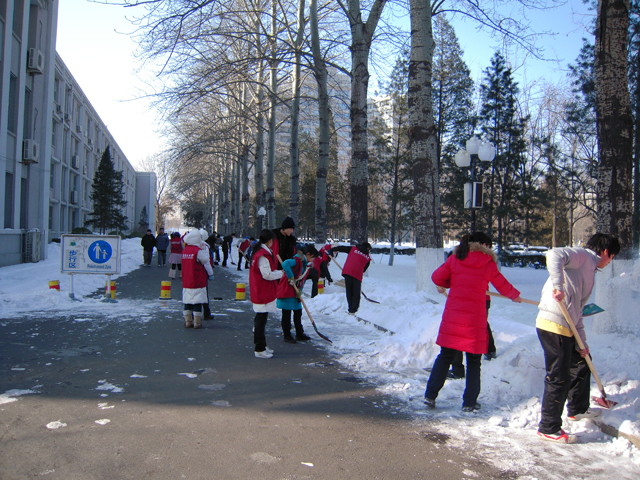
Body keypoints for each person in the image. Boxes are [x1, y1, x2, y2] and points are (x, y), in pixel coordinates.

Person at [536, 233, 620, 444]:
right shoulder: (584, 256)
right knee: (559, 376)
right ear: (606, 252)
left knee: (582, 361)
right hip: (553, 324)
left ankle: (578, 409)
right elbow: (554, 254)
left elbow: (577, 313)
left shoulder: (589, 269)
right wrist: (558, 286)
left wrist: (582, 343)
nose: (609, 262)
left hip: (567, 325)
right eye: (612, 257)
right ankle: (548, 427)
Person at [424, 232, 522, 412]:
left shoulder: (455, 259)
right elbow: (501, 284)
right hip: (474, 319)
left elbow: (437, 277)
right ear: (483, 245)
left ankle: (430, 395)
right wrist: (514, 295)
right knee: (474, 361)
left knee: (445, 356)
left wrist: (451, 282)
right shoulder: (488, 263)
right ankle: (469, 403)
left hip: (453, 317)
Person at [448, 232, 498, 380]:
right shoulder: (467, 257)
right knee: (475, 326)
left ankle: (487, 351)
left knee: (466, 329)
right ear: (482, 244)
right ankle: (487, 351)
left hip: (474, 298)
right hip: (473, 298)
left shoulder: (470, 257)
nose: (488, 249)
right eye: (487, 245)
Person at [249, 229, 284, 358]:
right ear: (270, 241)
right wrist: (281, 273)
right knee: (260, 320)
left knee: (261, 319)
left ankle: (262, 345)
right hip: (262, 290)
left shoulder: (260, 252)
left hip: (261, 289)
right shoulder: (262, 255)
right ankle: (259, 348)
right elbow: (267, 274)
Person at [277, 245, 319, 343]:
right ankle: (287, 335)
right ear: (308, 254)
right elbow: (285, 264)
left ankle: (299, 333)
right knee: (287, 313)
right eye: (313, 257)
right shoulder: (297, 260)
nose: (313, 260)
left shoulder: (305, 265)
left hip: (295, 290)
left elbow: (302, 279)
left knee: (298, 311)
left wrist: (300, 289)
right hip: (287, 288)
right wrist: (291, 277)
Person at [181, 230, 214, 329]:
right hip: (197, 278)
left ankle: (188, 321)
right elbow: (205, 261)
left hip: (187, 279)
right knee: (197, 301)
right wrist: (210, 273)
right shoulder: (197, 251)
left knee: (187, 301)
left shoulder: (185, 250)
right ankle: (197, 322)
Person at [331, 242, 372, 314]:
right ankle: (354, 309)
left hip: (347, 271)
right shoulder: (368, 258)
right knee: (356, 292)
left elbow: (342, 248)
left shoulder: (353, 248)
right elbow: (364, 270)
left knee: (349, 290)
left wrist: (332, 249)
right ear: (368, 248)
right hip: (357, 274)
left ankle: (350, 308)